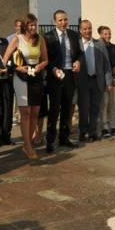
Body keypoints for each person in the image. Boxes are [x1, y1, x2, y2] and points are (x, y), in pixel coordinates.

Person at [2, 13, 48, 159]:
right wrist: (17, 68)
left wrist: (41, 66)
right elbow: (4, 61)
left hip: (36, 76)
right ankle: (27, 145)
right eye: (31, 25)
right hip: (21, 77)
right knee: (25, 112)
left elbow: (46, 60)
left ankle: (28, 142)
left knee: (35, 111)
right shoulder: (17, 39)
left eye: (35, 24)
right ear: (25, 26)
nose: (34, 27)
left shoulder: (40, 39)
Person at [44, 9, 83, 152]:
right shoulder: (48, 37)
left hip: (69, 75)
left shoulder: (73, 35)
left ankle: (64, 138)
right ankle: (50, 141)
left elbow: (79, 54)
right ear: (54, 22)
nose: (63, 22)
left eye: (65, 19)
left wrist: (78, 62)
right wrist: (53, 69)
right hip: (55, 76)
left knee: (67, 110)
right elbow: (45, 59)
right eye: (60, 20)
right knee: (54, 110)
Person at [76, 19, 111, 141]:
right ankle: (83, 132)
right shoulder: (77, 44)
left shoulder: (99, 44)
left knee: (95, 108)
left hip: (97, 81)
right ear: (80, 30)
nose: (87, 31)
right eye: (85, 29)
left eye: (89, 28)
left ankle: (93, 132)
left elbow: (106, 64)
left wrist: (108, 82)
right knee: (84, 108)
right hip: (83, 81)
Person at [98, 25, 115, 137]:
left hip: (114, 78)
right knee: (104, 103)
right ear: (100, 35)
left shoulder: (114, 47)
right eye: (105, 34)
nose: (108, 36)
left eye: (109, 33)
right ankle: (104, 127)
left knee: (114, 103)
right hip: (103, 80)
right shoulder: (98, 47)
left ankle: (114, 126)